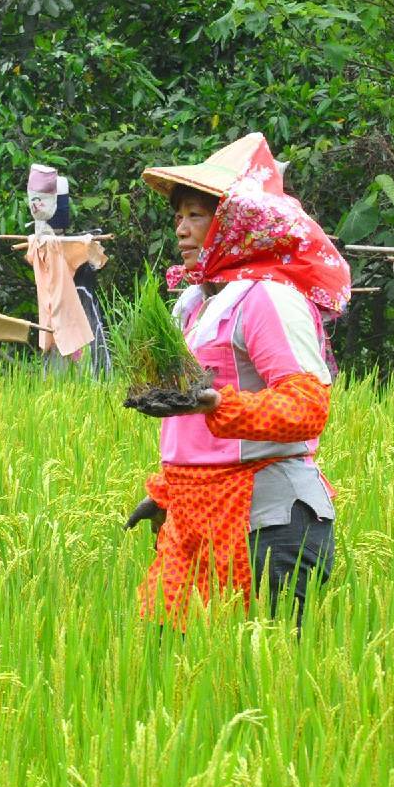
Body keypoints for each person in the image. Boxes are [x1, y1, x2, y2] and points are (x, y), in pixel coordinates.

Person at [126, 133, 352, 627]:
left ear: (236, 222)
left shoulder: (269, 298)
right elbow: (187, 424)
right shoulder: (197, 304)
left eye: (196, 215)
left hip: (261, 515)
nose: (181, 230)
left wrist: (212, 403)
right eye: (178, 216)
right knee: (161, 657)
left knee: (252, 678)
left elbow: (307, 408)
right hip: (191, 514)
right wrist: (167, 490)